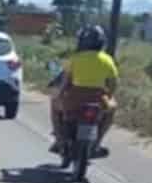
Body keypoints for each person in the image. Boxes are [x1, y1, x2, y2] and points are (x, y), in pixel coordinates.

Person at [49, 24, 119, 158]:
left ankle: (59, 140)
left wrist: (59, 95)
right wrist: (109, 96)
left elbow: (65, 82)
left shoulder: (75, 59)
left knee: (54, 105)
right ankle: (97, 143)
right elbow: (114, 83)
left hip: (74, 100)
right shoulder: (108, 60)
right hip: (99, 100)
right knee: (112, 110)